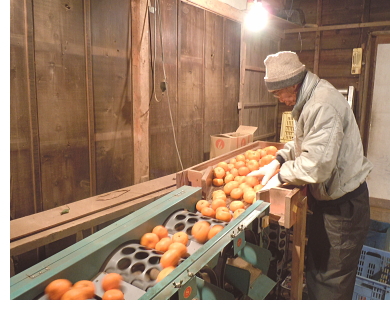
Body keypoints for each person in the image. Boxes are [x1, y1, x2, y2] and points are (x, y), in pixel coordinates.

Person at [248, 51, 372, 300]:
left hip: (342, 211)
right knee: (317, 272)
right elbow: (305, 143)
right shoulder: (310, 99)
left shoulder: (321, 105)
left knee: (330, 283)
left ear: (292, 85)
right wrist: (279, 160)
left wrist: (282, 175)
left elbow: (316, 165)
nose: (278, 99)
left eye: (277, 93)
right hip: (329, 205)